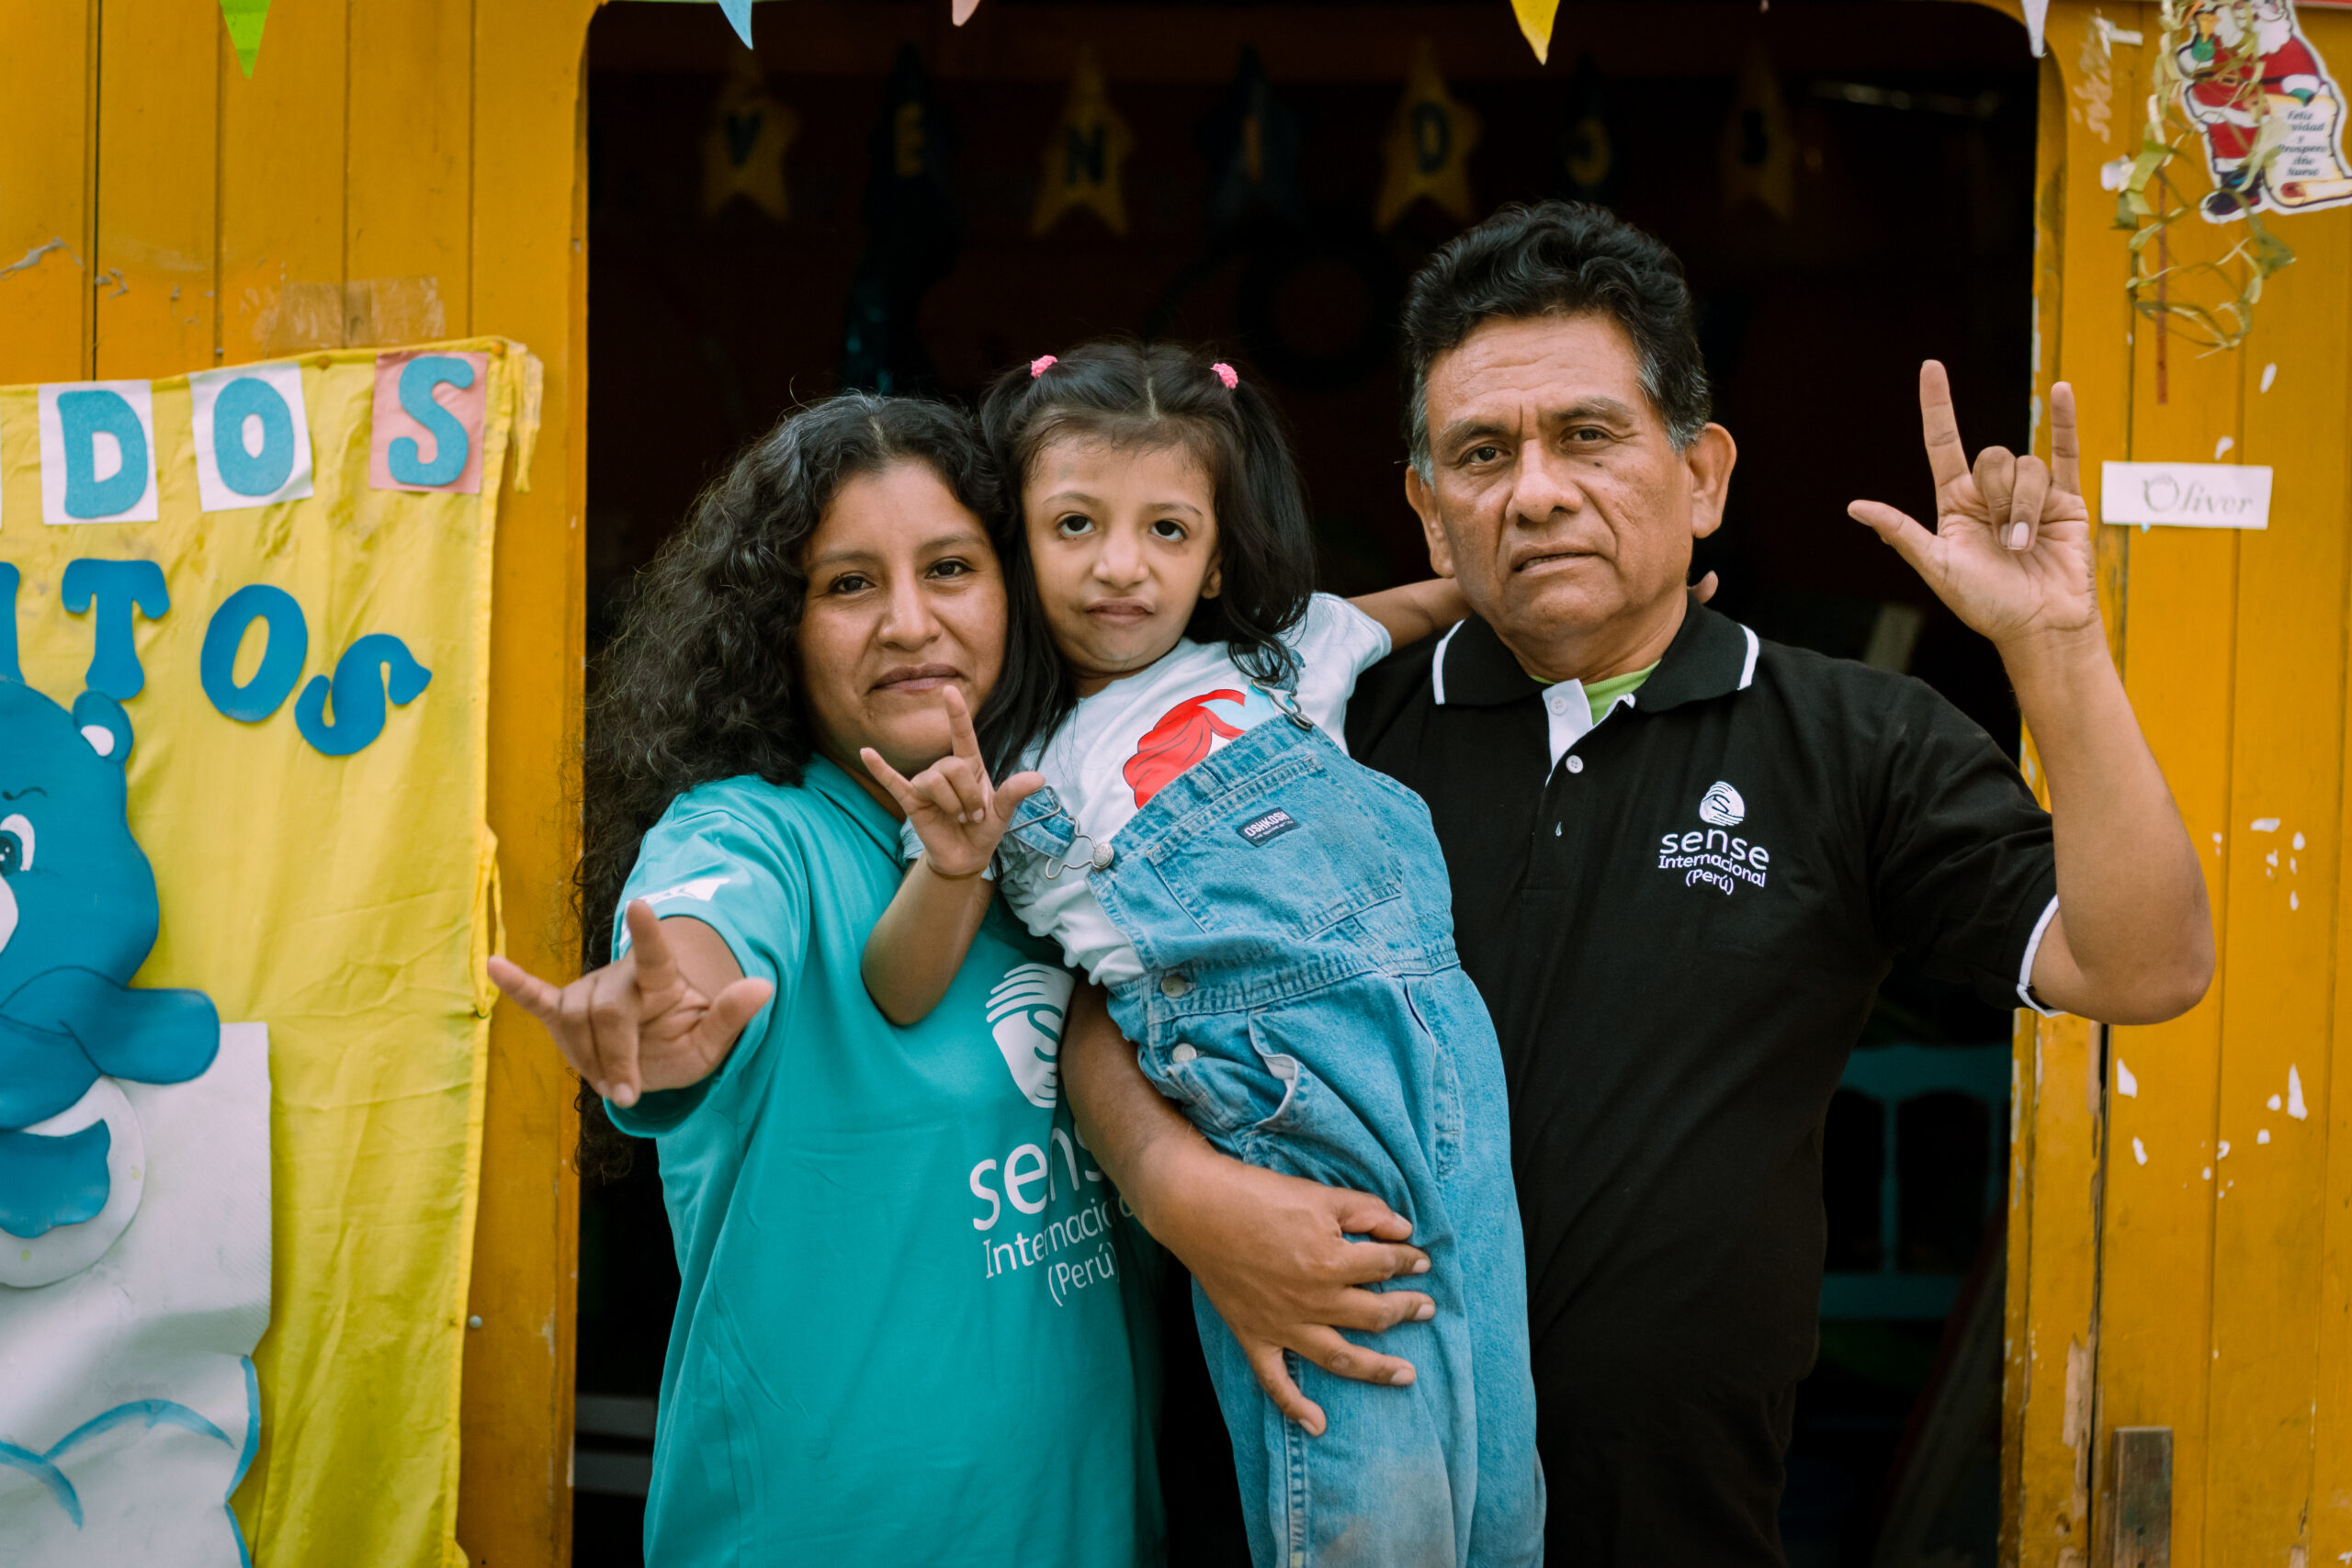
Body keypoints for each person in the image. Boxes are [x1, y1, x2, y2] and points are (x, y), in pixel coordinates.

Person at [1060, 201, 2214, 1565]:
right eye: (1482, 453)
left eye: (1589, 435)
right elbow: (1107, 979)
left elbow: (2143, 966)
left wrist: (2058, 643)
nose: (1535, 489)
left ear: (1704, 473)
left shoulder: (1851, 744)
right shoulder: (1316, 731)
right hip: (1318, 1488)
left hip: (1677, 1514)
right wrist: (1184, 1195)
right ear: (1430, 509)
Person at [854, 341, 1543, 1568]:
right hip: (1289, 1123)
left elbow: (1431, 606)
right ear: (1015, 534)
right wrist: (950, 861)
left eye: (1167, 530)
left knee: (1499, 1494)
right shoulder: (1008, 753)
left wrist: (1579, 612)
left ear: (1217, 553)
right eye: (1075, 523)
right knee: (1369, 1509)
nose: (1122, 565)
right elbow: (906, 984)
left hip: (1453, 1090)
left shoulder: (1283, 659)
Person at [485, 394, 1167, 1566]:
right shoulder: (755, 837)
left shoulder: (1071, 822)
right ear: (776, 625)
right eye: (848, 585)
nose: (910, 622)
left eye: (950, 567)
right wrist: (661, 1015)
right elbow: (698, 937)